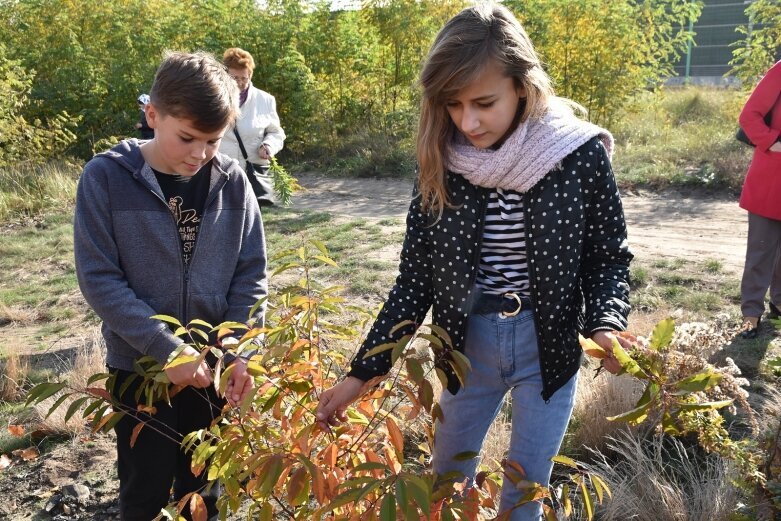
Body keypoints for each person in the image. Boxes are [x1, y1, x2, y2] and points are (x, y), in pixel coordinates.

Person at [315, 4, 632, 520]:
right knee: (445, 483)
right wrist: (363, 371)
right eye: (453, 105)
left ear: (522, 87)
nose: (468, 121)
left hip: (548, 346)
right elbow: (416, 280)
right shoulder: (441, 156)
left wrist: (605, 323)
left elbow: (607, 258)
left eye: (484, 102)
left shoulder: (578, 154)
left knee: (526, 492)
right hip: (466, 346)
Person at [74, 51, 267, 520]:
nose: (200, 154)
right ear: (152, 115)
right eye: (187, 138)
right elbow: (100, 279)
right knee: (145, 490)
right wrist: (167, 350)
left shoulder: (233, 182)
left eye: (213, 141)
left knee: (204, 490)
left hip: (213, 368)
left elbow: (251, 275)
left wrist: (239, 349)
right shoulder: (105, 178)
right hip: (141, 369)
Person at [737, 60, 781, 339]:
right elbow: (749, 115)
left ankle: (779, 304)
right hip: (772, 179)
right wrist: (771, 140)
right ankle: (751, 315)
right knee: (760, 252)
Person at [218, 47, 285, 204]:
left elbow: (276, 133)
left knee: (252, 220)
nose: (240, 83)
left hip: (252, 172)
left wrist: (268, 145)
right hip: (222, 172)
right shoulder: (213, 99)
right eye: (235, 78)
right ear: (225, 76)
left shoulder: (265, 100)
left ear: (250, 75)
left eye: (244, 78)